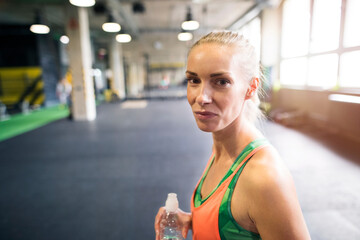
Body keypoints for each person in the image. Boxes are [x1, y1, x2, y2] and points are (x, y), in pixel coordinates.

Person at [154, 31, 311, 240]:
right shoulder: (223, 149)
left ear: (251, 87)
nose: (201, 97)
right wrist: (194, 221)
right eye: (193, 80)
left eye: (221, 82)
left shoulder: (263, 177)